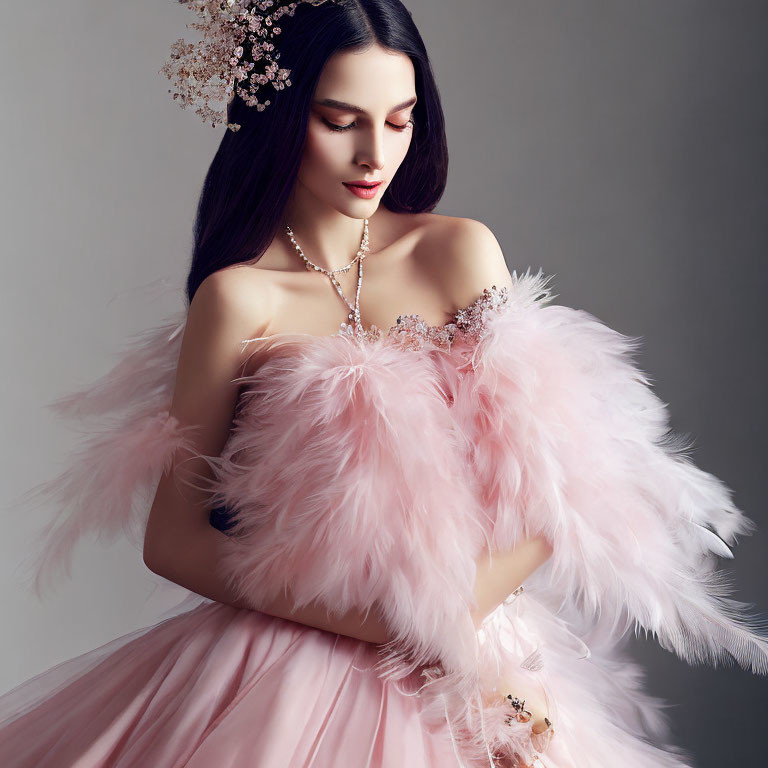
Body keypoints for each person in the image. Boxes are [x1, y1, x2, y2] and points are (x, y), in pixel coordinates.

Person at [0, 1, 765, 766]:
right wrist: (382, 623)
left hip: (480, 655)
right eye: (340, 121)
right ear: (279, 119)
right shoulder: (239, 299)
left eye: (399, 121)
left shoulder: (457, 254)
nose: (375, 154)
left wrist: (447, 620)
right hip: (292, 657)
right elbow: (172, 540)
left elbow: (557, 488)